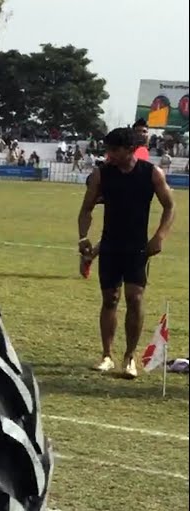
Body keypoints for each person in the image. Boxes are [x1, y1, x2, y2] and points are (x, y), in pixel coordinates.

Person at [77, 127, 176, 379]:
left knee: (135, 298)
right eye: (107, 149)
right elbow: (86, 208)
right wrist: (84, 238)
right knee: (110, 299)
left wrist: (159, 236)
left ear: (130, 149)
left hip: (137, 247)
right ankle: (107, 355)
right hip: (110, 245)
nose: (108, 154)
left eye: (114, 150)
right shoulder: (102, 174)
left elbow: (169, 206)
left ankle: (129, 357)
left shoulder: (152, 173)